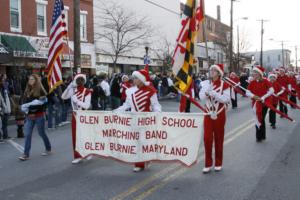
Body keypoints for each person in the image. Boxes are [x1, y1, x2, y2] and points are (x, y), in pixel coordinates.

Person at [116, 68, 161, 172]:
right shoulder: (130, 91)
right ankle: (139, 163)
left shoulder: (151, 91)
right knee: (137, 142)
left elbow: (156, 106)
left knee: (145, 142)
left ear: (141, 79)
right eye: (134, 77)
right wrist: (116, 111)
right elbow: (126, 105)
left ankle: (146, 158)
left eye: (136, 78)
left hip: (146, 121)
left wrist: (156, 114)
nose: (133, 79)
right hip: (134, 120)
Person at [199, 64, 230, 173]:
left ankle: (218, 162)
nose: (211, 72)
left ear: (219, 73)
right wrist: (207, 92)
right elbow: (201, 96)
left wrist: (214, 93)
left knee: (218, 138)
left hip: (219, 114)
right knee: (207, 138)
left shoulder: (224, 85)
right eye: (211, 70)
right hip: (208, 113)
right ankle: (208, 163)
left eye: (214, 70)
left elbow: (226, 99)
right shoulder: (206, 83)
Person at [18, 74, 51, 161]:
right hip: (29, 117)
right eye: (30, 79)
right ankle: (26, 154)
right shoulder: (27, 91)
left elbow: (43, 105)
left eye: (32, 79)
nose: (30, 81)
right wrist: (28, 112)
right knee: (28, 134)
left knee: (41, 133)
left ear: (36, 80)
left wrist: (34, 112)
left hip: (39, 116)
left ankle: (48, 148)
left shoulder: (41, 90)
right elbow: (25, 104)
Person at [61, 74, 92, 164]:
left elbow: (86, 106)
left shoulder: (87, 91)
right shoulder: (73, 90)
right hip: (75, 115)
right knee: (76, 136)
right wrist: (69, 87)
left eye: (81, 80)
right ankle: (77, 156)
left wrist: (76, 100)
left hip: (84, 115)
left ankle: (88, 152)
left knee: (85, 136)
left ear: (84, 81)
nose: (80, 81)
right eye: (78, 80)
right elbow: (63, 97)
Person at [246, 66, 274, 142]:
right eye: (253, 73)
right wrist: (253, 96)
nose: (253, 74)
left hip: (264, 103)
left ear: (259, 74)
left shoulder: (265, 81)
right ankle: (259, 136)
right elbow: (247, 92)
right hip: (255, 103)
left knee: (261, 118)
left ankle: (261, 135)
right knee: (257, 118)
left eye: (255, 73)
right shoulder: (252, 82)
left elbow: (272, 90)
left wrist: (264, 97)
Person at [0, 75, 11, 140]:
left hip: (6, 106)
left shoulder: (4, 88)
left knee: (5, 123)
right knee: (2, 123)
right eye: (2, 80)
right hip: (2, 107)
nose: (4, 81)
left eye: (4, 80)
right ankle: (2, 136)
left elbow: (6, 97)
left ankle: (5, 135)